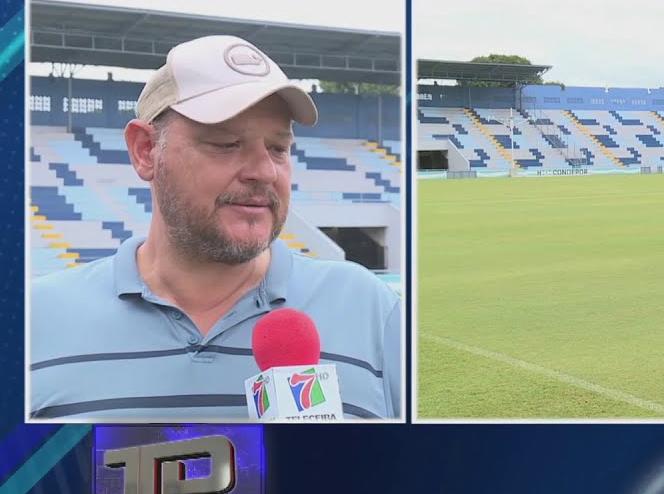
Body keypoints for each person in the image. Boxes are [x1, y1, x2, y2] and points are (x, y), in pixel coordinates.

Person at [29, 35, 402, 421]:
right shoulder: (36, 320)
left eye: (278, 148)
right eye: (226, 143)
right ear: (145, 150)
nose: (264, 172)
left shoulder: (371, 309)